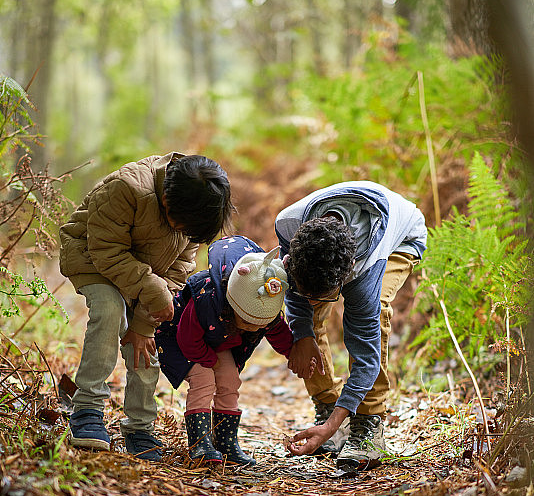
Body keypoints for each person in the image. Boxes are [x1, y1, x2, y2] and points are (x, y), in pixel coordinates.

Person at [59, 152, 233, 461]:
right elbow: (106, 251)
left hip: (145, 273)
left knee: (146, 343)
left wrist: (143, 324)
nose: (185, 234)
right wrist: (153, 288)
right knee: (110, 311)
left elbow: (180, 267)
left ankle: (139, 427)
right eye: (182, 226)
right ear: (167, 201)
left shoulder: (192, 211)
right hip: (93, 260)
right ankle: (87, 409)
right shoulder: (126, 189)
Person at [275, 180, 427, 469]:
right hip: (337, 249)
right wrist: (303, 335)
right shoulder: (288, 225)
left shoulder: (364, 270)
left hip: (401, 240)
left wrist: (333, 426)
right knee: (309, 310)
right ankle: (327, 404)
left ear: (344, 279)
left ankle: (368, 423)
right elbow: (293, 290)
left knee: (377, 307)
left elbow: (366, 355)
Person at [154, 236, 295, 466]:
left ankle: (226, 440)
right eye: (247, 323)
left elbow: (277, 331)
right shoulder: (205, 300)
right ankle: (200, 442)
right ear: (232, 305)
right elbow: (187, 338)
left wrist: (293, 351)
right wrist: (210, 361)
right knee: (204, 380)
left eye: (259, 325)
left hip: (217, 342)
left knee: (230, 380)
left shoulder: (261, 307)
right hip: (187, 343)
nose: (253, 329)